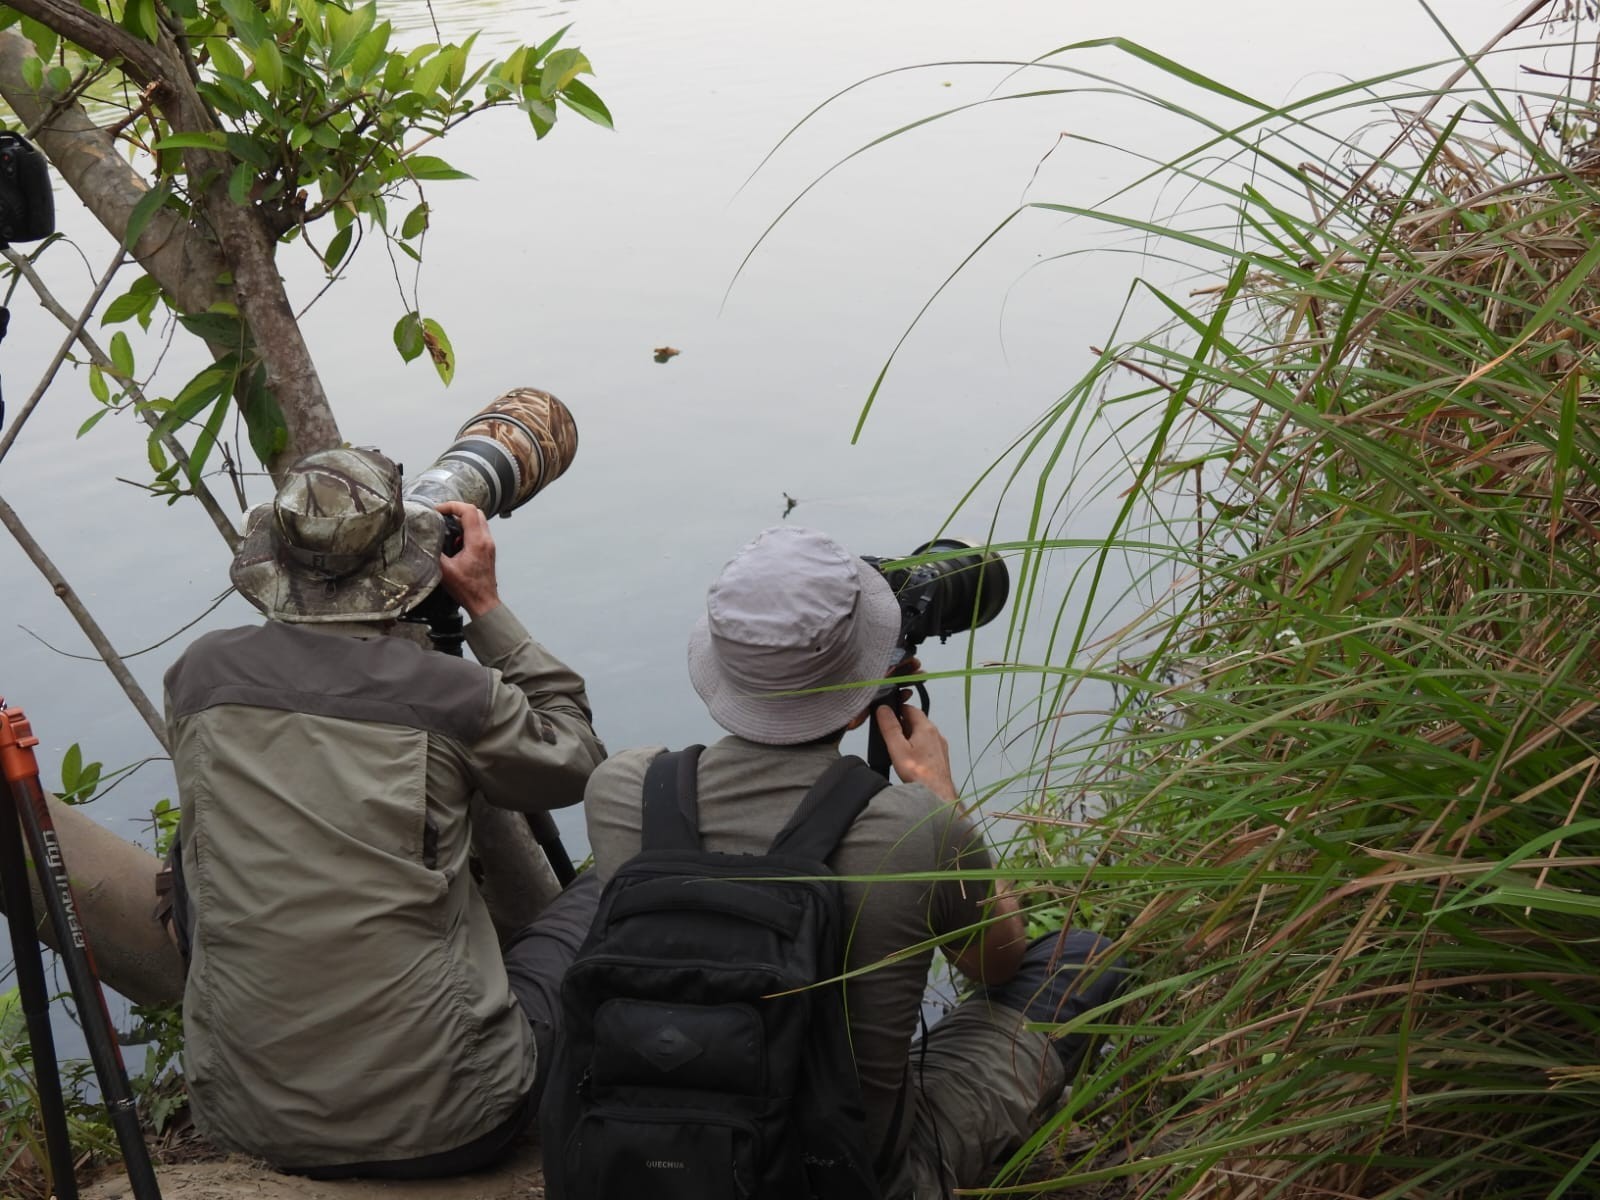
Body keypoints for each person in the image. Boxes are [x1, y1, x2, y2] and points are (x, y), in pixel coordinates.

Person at [583, 525, 1126, 1199]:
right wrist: (943, 801)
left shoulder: (622, 790)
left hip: (655, 1159)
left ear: (720, 669)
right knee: (1077, 959)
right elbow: (1000, 964)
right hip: (857, 1180)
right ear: (860, 695)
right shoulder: (915, 829)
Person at [162, 447, 605, 1178]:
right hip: (457, 1120)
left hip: (245, 1113)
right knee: (608, 885)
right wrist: (485, 609)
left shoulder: (199, 677)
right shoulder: (450, 697)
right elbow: (577, 758)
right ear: (412, 562)